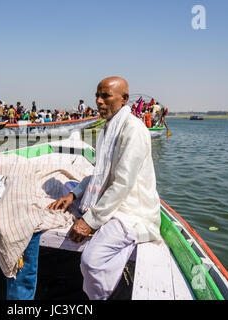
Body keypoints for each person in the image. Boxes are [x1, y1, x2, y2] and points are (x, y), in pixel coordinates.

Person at [47, 76, 161, 300]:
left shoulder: (133, 131)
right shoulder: (108, 128)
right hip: (110, 198)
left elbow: (121, 185)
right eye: (97, 96)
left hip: (131, 209)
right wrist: (75, 194)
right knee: (67, 188)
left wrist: (90, 221)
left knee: (91, 261)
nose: (98, 101)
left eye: (105, 96)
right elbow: (100, 173)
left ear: (124, 99)